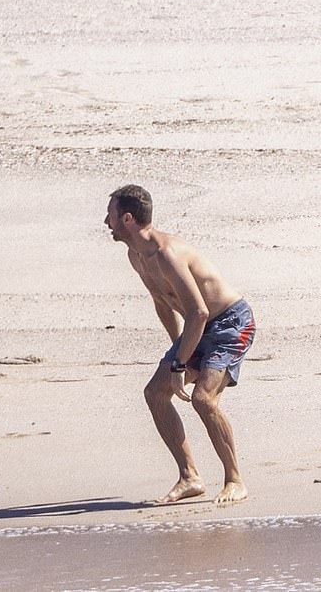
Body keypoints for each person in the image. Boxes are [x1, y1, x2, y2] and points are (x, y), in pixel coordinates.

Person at [105, 184, 256, 505]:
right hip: (197, 327)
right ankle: (190, 477)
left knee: (203, 399)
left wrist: (178, 365)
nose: (107, 221)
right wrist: (179, 350)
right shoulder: (136, 255)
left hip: (230, 323)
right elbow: (162, 301)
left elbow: (200, 311)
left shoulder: (166, 255)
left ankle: (235, 480)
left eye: (111, 214)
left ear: (127, 218)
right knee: (155, 393)